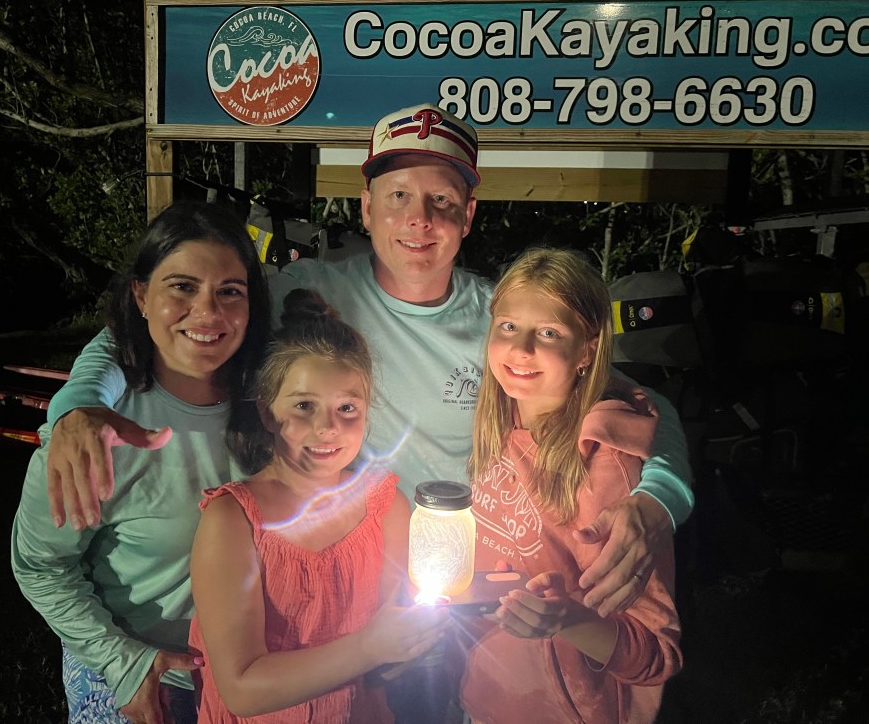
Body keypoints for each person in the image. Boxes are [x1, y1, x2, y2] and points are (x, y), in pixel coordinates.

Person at [42, 102, 694, 617]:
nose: (419, 219)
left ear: (468, 215)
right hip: (333, 573)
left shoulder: (504, 320)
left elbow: (638, 401)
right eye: (398, 196)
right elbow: (164, 322)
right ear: (366, 206)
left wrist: (659, 499)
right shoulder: (311, 293)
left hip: (464, 579)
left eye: (441, 201)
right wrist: (78, 405)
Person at [11, 201, 271, 724]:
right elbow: (42, 565)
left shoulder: (280, 402)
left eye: (229, 292)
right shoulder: (91, 432)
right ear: (140, 295)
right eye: (181, 287)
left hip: (259, 675)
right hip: (143, 675)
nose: (208, 312)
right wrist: (120, 660)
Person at [188, 288, 448, 722]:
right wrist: (371, 648)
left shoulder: (387, 507)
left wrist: (410, 647)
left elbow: (387, 651)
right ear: (268, 413)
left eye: (347, 407)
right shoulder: (233, 520)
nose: (328, 427)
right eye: (305, 406)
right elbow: (241, 688)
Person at [459, 247, 682, 723]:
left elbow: (655, 653)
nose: (521, 349)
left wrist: (566, 619)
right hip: (485, 696)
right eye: (509, 326)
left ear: (588, 349)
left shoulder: (609, 468)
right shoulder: (499, 423)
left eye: (549, 333)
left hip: (569, 709)